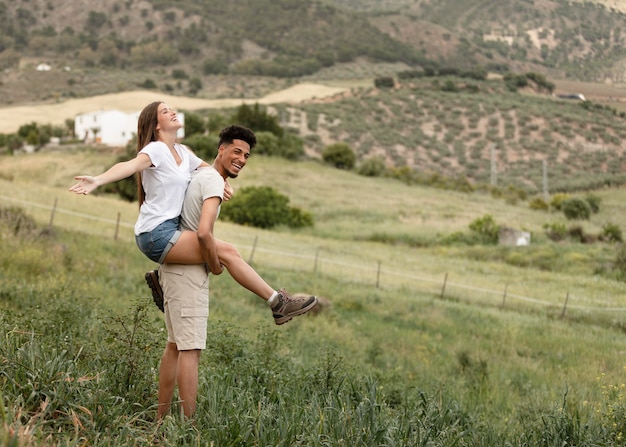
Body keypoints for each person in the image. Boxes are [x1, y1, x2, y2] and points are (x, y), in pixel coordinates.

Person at [69, 101, 316, 325]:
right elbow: (130, 165)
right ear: (156, 125)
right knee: (227, 252)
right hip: (157, 233)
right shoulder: (156, 150)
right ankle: (278, 303)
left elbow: (207, 168)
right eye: (165, 111)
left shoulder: (183, 152)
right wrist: (98, 180)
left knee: (225, 252)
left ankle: (160, 279)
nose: (173, 112)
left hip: (169, 230)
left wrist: (224, 183)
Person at [156, 125, 317, 418]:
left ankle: (158, 423)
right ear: (222, 149)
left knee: (175, 348)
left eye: (246, 155)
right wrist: (215, 265)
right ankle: (187, 430)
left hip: (173, 268)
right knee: (190, 352)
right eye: (237, 151)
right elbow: (204, 233)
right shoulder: (214, 182)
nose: (242, 159)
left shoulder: (200, 175)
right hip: (188, 274)